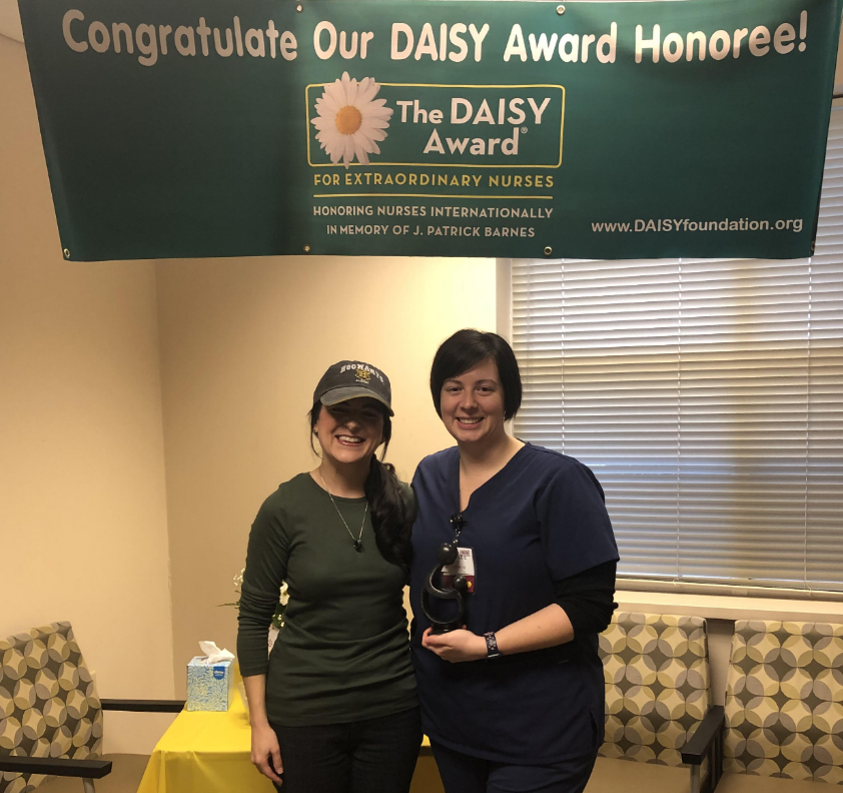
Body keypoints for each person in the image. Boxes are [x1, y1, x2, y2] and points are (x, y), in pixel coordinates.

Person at [409, 329, 619, 793]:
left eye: (484, 388)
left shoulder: (559, 481)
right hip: (453, 720)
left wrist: (487, 644)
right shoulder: (429, 474)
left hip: (539, 730)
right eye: (453, 388)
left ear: (508, 398)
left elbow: (589, 606)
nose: (468, 403)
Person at [237, 360, 421, 793]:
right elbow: (253, 619)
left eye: (369, 414)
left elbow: (439, 598)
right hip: (304, 715)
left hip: (392, 710)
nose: (353, 424)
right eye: (340, 410)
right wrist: (259, 724)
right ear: (317, 420)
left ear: (382, 429)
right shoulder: (283, 508)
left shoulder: (405, 502)